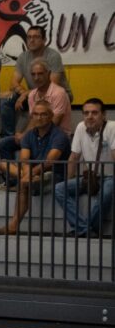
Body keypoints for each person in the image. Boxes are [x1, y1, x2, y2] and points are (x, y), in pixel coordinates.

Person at [0, 101, 70, 235]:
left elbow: (49, 162)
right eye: (35, 114)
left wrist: (28, 175)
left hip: (54, 175)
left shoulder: (59, 135)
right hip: (33, 174)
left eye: (43, 114)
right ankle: (27, 179)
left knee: (24, 183)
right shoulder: (29, 135)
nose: (39, 118)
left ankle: (13, 227)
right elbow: (24, 159)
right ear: (32, 116)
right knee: (2, 163)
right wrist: (28, 174)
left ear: (51, 116)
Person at [0, 59, 72, 170]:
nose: (36, 78)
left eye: (40, 74)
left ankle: (23, 176)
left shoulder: (59, 93)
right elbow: (34, 120)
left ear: (49, 74)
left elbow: (54, 121)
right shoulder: (32, 94)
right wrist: (24, 134)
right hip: (36, 135)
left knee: (31, 146)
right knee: (4, 143)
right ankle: (16, 178)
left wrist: (26, 136)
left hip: (55, 136)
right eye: (33, 74)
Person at [55, 98, 114, 237]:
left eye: (94, 113)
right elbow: (74, 157)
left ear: (103, 115)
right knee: (59, 188)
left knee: (106, 192)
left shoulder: (112, 127)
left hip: (110, 176)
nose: (90, 116)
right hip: (92, 177)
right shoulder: (81, 127)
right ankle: (85, 229)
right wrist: (69, 181)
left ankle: (84, 229)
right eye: (86, 113)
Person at [0, 25, 72, 137]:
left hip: (56, 94)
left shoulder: (53, 56)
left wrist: (25, 94)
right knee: (6, 99)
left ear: (44, 40)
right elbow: (13, 83)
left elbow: (51, 85)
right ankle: (9, 136)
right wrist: (23, 93)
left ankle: (34, 136)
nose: (31, 40)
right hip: (34, 94)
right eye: (29, 37)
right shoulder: (23, 57)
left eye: (36, 37)